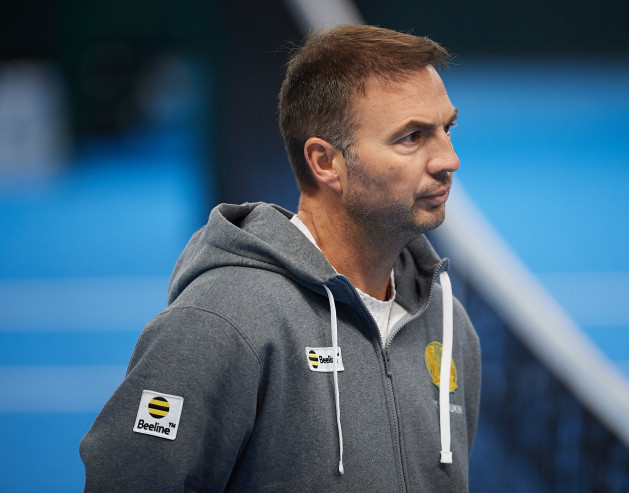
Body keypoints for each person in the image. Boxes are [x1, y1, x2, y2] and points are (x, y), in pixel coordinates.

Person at [80, 24, 481, 492]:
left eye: (447, 128)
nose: (448, 159)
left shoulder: (447, 323)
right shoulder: (219, 322)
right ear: (325, 162)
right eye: (411, 137)